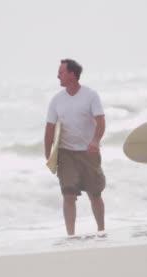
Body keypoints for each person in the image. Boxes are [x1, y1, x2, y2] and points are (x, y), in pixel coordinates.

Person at [44, 59, 106, 237]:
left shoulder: (90, 95)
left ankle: (101, 231)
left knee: (95, 193)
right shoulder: (57, 100)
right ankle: (70, 235)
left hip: (88, 151)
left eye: (61, 72)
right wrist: (48, 154)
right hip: (65, 153)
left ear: (72, 74)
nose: (58, 76)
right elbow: (49, 128)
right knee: (68, 194)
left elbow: (101, 121)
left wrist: (95, 141)